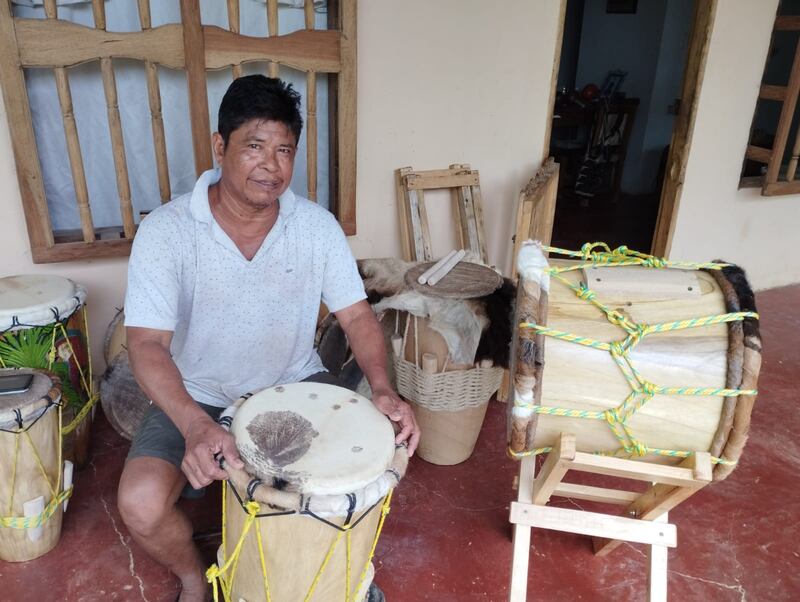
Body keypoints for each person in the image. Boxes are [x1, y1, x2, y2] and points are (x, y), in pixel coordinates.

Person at [117, 75, 420, 602]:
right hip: (197, 394)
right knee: (141, 502)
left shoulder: (316, 227)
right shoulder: (167, 231)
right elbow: (145, 345)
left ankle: (326, 576)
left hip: (294, 384)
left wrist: (381, 387)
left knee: (367, 462)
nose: (271, 166)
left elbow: (357, 317)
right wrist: (193, 424)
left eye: (284, 150)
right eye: (255, 146)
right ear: (220, 147)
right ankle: (195, 578)